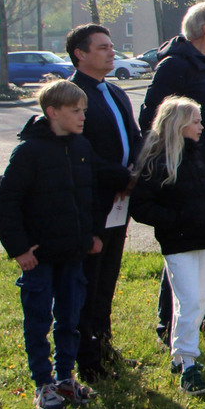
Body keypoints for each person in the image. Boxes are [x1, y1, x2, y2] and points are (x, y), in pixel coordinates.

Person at [0, 79, 102, 409]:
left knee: (70, 317)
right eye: (75, 111)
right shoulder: (29, 152)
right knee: (39, 320)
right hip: (38, 257)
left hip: (72, 252)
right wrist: (20, 249)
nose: (82, 117)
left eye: (84, 110)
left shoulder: (81, 148)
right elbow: (6, 203)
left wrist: (90, 236)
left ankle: (65, 378)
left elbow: (87, 198)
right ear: (52, 112)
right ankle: (43, 384)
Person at [139, 1, 205, 339]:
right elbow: (152, 119)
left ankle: (204, 316)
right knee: (184, 249)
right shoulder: (175, 67)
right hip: (184, 174)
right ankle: (170, 322)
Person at [66, 24, 142, 383]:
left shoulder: (114, 91)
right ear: (80, 54)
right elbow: (79, 151)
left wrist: (137, 173)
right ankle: (88, 360)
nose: (112, 53)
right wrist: (118, 177)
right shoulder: (72, 94)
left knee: (108, 276)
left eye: (112, 47)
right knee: (88, 281)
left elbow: (135, 137)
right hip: (92, 201)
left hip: (120, 200)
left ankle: (105, 346)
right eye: (102, 48)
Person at [128, 96, 205, 394]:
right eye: (196, 121)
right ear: (179, 124)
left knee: (196, 302)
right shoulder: (157, 160)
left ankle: (179, 356)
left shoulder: (193, 154)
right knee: (189, 300)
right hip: (177, 243)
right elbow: (141, 206)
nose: (201, 127)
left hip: (202, 240)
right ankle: (189, 366)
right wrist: (175, 220)